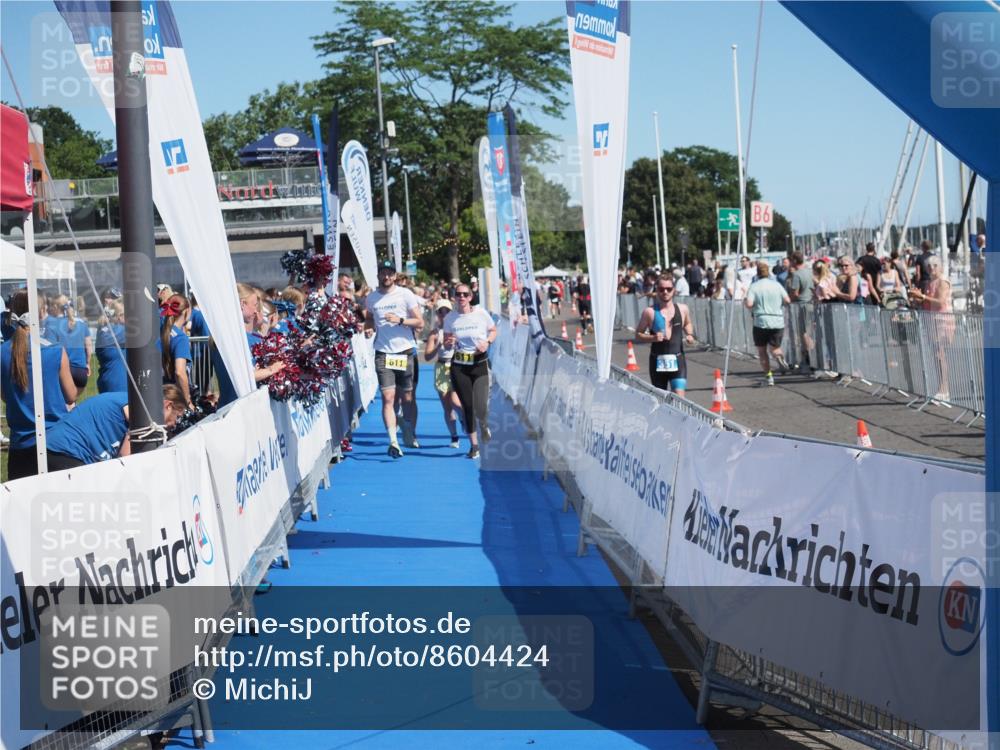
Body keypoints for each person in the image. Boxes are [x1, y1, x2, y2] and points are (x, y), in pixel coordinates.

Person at [1, 290, 76, 480]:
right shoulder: (55, 350)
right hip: (56, 443)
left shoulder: (2, 352)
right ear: (41, 313)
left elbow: (5, 395)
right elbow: (71, 395)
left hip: (20, 448)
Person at [45, 385, 188, 470]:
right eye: (177, 416)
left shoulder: (134, 402)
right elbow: (125, 461)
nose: (175, 423)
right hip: (66, 450)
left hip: (58, 448)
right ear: (168, 405)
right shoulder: (142, 411)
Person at [365, 260, 424, 458]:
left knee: (407, 398)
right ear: (379, 275)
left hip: (405, 351)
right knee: (388, 398)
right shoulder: (371, 298)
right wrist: (367, 327)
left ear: (395, 275)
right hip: (383, 353)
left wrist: (400, 320)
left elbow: (420, 322)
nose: (386, 276)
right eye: (383, 273)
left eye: (390, 273)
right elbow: (369, 318)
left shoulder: (405, 294)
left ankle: (408, 429)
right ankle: (393, 441)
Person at [443, 284, 497, 459]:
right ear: (454, 297)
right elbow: (446, 341)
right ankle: (474, 446)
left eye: (465, 294)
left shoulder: (481, 314)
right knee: (467, 406)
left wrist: (488, 342)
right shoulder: (450, 318)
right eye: (458, 294)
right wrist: (448, 343)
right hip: (459, 365)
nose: (461, 297)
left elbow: (493, 330)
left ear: (471, 296)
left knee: (481, 407)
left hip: (479, 364)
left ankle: (483, 424)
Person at [212, 283, 286, 409]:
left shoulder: (229, 336)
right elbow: (245, 375)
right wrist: (272, 369)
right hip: (237, 409)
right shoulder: (236, 339)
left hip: (235, 407)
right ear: (242, 304)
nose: (256, 310)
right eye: (254, 305)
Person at [634, 276, 695, 398]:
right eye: (661, 289)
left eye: (668, 289)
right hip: (658, 363)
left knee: (679, 399)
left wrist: (689, 335)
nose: (665, 292)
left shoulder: (683, 309)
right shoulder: (649, 312)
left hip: (678, 361)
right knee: (660, 401)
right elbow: (638, 334)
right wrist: (653, 338)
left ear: (674, 290)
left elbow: (687, 323)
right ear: (657, 290)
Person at [909, 255, 954, 400]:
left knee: (940, 355)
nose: (931, 268)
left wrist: (922, 297)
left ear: (940, 266)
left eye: (935, 265)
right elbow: (928, 304)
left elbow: (940, 302)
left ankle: (944, 389)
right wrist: (917, 299)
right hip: (932, 319)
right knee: (936, 355)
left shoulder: (942, 282)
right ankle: (941, 388)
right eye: (929, 266)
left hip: (943, 320)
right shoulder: (930, 282)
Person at [424, 298, 463, 449]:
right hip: (441, 368)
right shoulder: (434, 333)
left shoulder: (458, 329)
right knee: (447, 407)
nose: (444, 314)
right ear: (437, 314)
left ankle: (463, 419)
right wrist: (438, 345)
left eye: (447, 311)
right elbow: (427, 356)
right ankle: (454, 437)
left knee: (456, 402)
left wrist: (457, 343)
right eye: (441, 311)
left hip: (456, 366)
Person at [745, 261, 790, 386]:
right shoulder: (776, 285)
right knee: (775, 347)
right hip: (777, 320)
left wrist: (746, 302)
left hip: (761, 321)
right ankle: (779, 357)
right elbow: (787, 300)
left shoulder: (754, 286)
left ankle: (769, 376)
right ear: (769, 272)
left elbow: (749, 304)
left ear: (757, 274)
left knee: (762, 351)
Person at [158, 293, 193, 408]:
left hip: (158, 391)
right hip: (173, 396)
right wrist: (187, 401)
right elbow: (180, 372)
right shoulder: (180, 338)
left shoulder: (161, 329)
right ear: (186, 311)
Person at [52, 296, 92, 394]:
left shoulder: (53, 324)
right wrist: (87, 363)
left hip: (62, 370)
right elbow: (88, 346)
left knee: (65, 403)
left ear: (56, 307)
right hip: (80, 370)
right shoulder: (82, 323)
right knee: (72, 402)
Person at [95, 300, 128, 393]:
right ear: (119, 316)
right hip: (117, 384)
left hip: (112, 381)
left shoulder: (106, 329)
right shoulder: (115, 331)